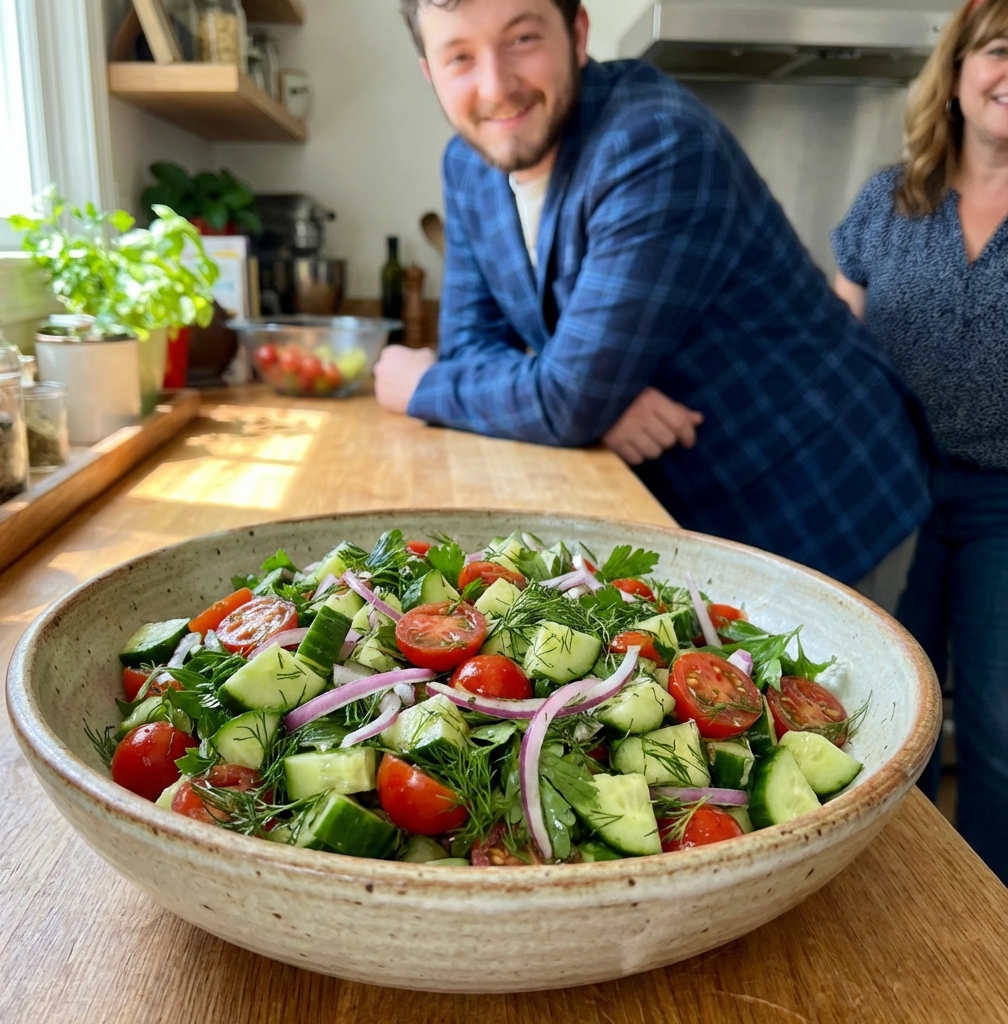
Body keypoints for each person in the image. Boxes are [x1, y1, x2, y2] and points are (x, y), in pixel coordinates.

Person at [375, 0, 931, 586]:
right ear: (430, 72)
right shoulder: (467, 163)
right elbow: (473, 347)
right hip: (686, 507)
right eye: (460, 56)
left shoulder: (655, 142)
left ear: (578, 33)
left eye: (523, 39)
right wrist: (587, 402)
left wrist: (424, 385)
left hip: (824, 487)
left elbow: (561, 397)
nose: (496, 86)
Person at [832, 0, 1008, 881]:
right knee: (881, 710)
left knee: (1000, 730)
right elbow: (835, 345)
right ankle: (880, 896)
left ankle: (983, 917)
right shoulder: (887, 200)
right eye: (1003, 51)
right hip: (889, 489)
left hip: (1005, 502)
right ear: (960, 68)